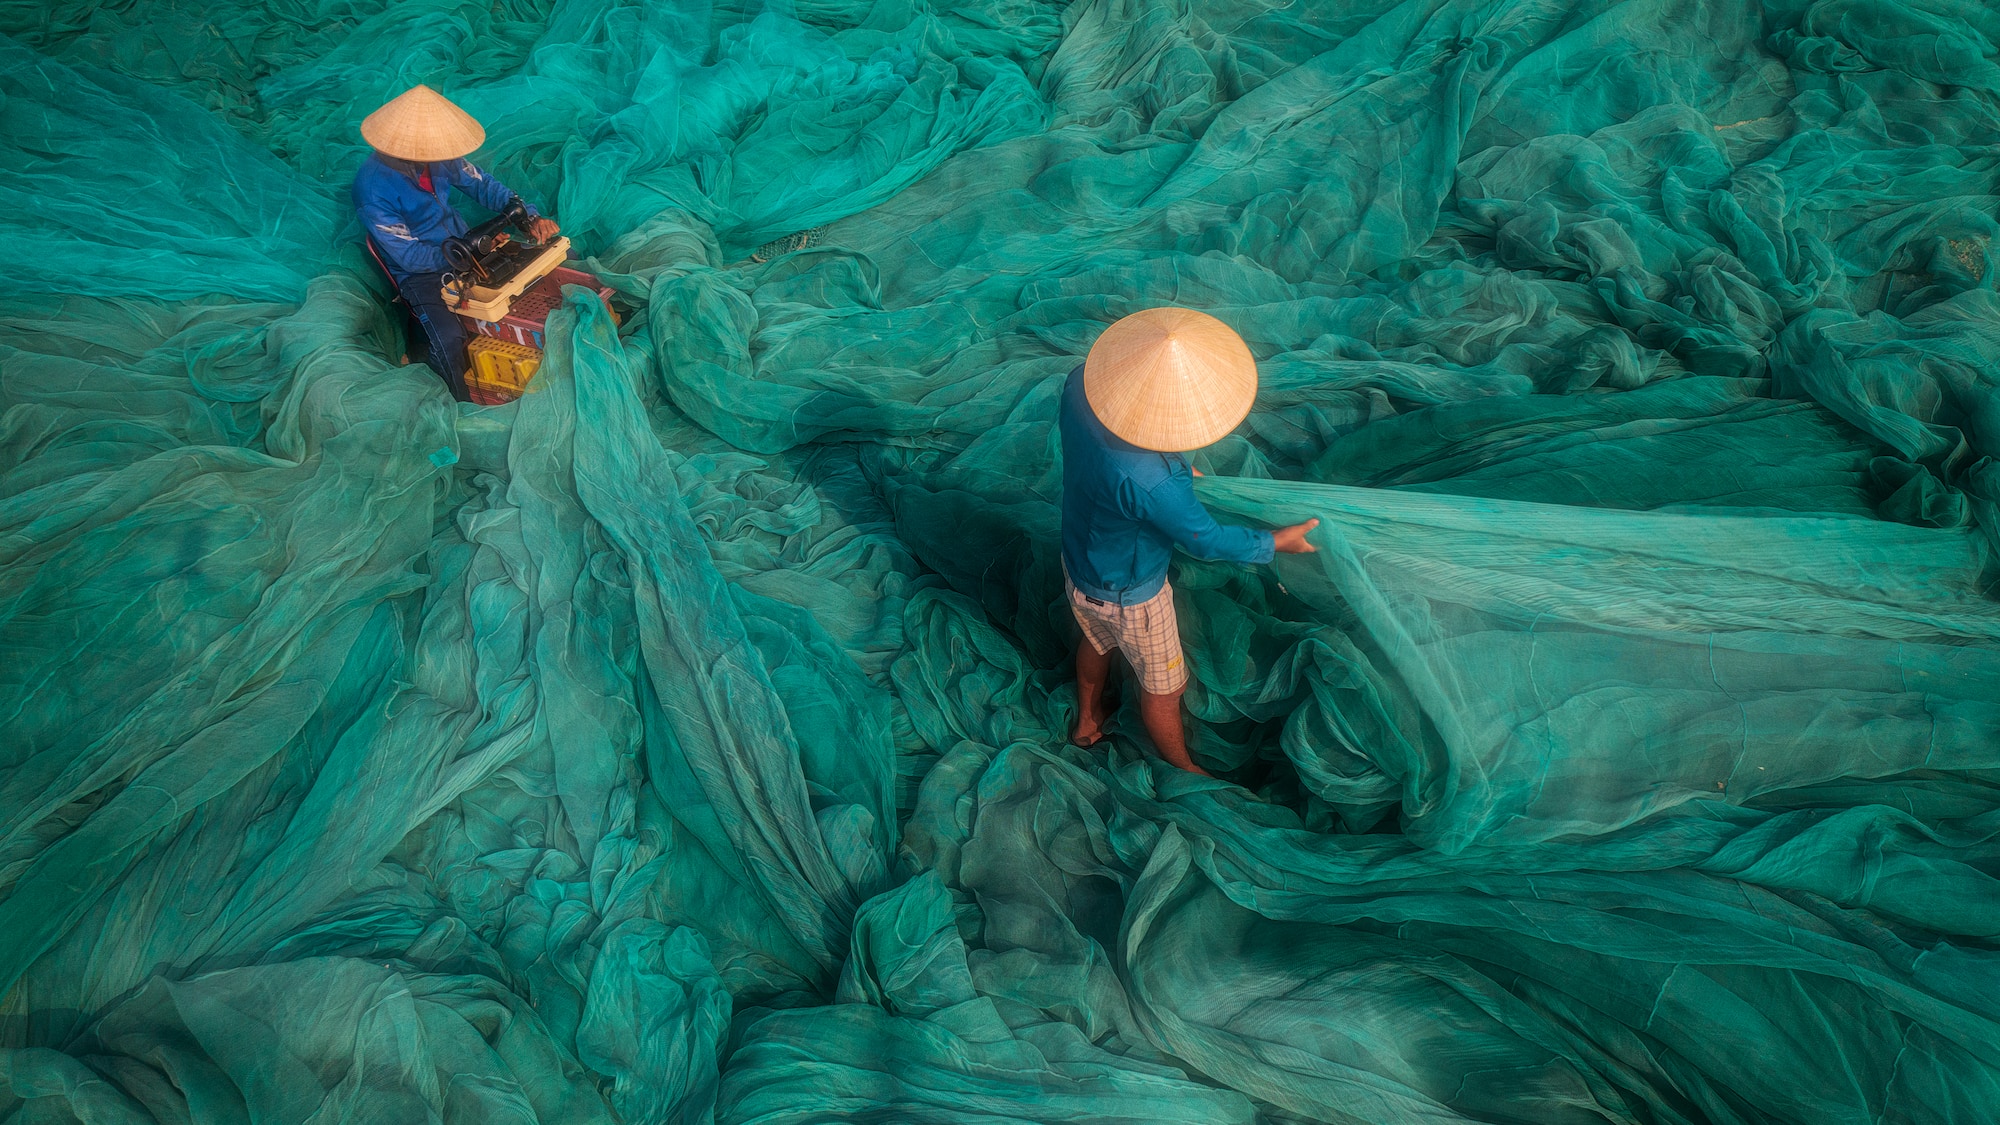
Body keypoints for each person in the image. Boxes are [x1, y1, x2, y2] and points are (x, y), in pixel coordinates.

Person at [1060, 307, 1319, 776]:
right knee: (1165, 688)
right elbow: (1205, 539)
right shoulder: (1152, 483)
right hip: (1130, 594)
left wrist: (1175, 471)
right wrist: (1275, 542)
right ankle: (1184, 768)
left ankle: (1086, 721)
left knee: (1096, 641)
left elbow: (1133, 460)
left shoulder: (1081, 385)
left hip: (1079, 559)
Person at [353, 85, 561, 401]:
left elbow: (484, 186)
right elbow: (409, 256)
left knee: (537, 275)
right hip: (420, 274)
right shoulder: (372, 189)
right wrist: (468, 254)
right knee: (450, 339)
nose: (440, 154)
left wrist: (527, 218)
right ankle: (459, 400)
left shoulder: (438, 156)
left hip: (463, 249)